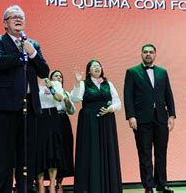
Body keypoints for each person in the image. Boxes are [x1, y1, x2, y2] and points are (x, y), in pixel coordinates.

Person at [0, 5, 50, 193]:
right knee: (5, 155)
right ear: (5, 23)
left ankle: (25, 189)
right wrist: (22, 54)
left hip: (30, 106)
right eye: (13, 17)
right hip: (5, 106)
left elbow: (44, 71)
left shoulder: (33, 44)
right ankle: (3, 190)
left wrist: (32, 52)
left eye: (21, 16)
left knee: (27, 154)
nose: (18, 19)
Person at [123, 44, 176, 193]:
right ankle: (148, 186)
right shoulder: (132, 72)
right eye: (145, 52)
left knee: (161, 152)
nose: (148, 54)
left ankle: (162, 184)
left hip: (160, 118)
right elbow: (128, 96)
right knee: (145, 153)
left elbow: (168, 94)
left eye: (151, 52)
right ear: (141, 54)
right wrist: (131, 116)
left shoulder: (162, 72)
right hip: (141, 119)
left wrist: (171, 115)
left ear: (155, 55)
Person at [71, 59, 122, 193]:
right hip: (89, 122)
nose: (97, 68)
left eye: (99, 66)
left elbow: (118, 103)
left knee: (107, 150)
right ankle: (89, 187)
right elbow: (75, 99)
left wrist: (110, 108)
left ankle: (108, 187)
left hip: (107, 121)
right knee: (91, 151)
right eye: (94, 66)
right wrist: (77, 82)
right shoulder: (83, 84)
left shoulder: (108, 84)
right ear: (89, 71)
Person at [36, 78, 64, 193]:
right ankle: (40, 184)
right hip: (38, 117)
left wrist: (51, 87)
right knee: (40, 151)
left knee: (53, 150)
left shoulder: (55, 83)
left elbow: (59, 98)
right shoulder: (31, 82)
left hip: (52, 115)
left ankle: (52, 184)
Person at [49, 70, 75, 192]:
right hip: (51, 120)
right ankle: (51, 183)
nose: (59, 78)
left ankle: (59, 183)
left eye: (60, 76)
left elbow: (71, 111)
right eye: (56, 76)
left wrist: (67, 100)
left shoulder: (66, 93)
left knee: (65, 151)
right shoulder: (47, 91)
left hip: (63, 121)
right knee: (53, 151)